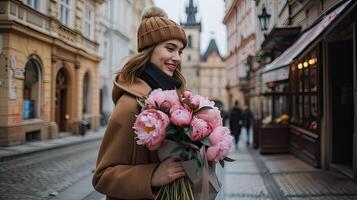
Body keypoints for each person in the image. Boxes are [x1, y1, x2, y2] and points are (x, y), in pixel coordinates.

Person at [92, 7, 188, 200]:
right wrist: (152, 176)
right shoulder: (130, 105)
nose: (177, 58)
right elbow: (103, 177)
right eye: (170, 48)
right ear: (149, 50)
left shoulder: (176, 98)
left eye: (179, 51)